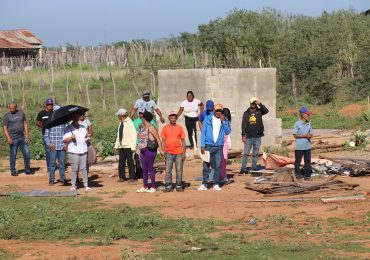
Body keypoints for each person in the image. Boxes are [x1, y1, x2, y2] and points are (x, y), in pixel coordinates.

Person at [199, 104, 231, 191]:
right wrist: (202, 145)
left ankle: (215, 183)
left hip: (219, 147)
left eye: (220, 111)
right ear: (214, 111)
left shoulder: (225, 120)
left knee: (217, 166)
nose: (218, 112)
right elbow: (203, 133)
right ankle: (205, 184)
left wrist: (223, 122)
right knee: (206, 165)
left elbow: (227, 132)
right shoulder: (207, 119)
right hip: (208, 146)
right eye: (217, 111)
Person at [63, 113, 92, 191]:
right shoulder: (68, 128)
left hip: (83, 150)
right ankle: (73, 185)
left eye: (77, 117)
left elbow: (85, 136)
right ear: (72, 118)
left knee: (84, 168)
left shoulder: (83, 127)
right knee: (74, 168)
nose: (76, 118)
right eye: (75, 117)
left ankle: (86, 185)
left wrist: (87, 138)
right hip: (73, 151)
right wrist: (71, 138)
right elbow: (64, 140)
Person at [240, 97, 269, 174]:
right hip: (248, 137)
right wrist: (243, 135)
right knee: (245, 153)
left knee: (255, 154)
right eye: (252, 103)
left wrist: (260, 104)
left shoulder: (259, 111)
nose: (253, 104)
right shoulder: (246, 113)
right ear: (250, 103)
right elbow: (243, 125)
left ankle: (254, 167)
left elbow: (266, 111)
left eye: (254, 103)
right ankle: (243, 168)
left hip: (257, 136)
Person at [136, 111, 164, 193]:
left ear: (144, 118)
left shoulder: (151, 127)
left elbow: (158, 139)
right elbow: (139, 137)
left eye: (142, 117)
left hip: (150, 150)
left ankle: (153, 187)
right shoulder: (141, 126)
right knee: (144, 169)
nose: (141, 118)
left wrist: (161, 150)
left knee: (150, 168)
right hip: (142, 150)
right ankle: (145, 186)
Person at [161, 111, 186, 192]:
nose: (173, 119)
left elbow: (183, 141)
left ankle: (178, 185)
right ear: (169, 118)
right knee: (168, 170)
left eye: (174, 118)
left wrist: (184, 153)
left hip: (179, 152)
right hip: (168, 152)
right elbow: (163, 141)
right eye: (171, 117)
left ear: (176, 118)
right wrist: (162, 152)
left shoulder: (180, 128)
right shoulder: (165, 128)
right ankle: (168, 186)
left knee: (179, 169)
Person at [2, 102, 31, 176]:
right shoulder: (7, 116)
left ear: (16, 107)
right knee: (13, 154)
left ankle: (27, 170)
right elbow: (5, 128)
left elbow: (25, 123)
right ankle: (13, 171)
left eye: (13, 108)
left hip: (22, 137)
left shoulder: (21, 113)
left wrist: (27, 135)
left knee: (27, 153)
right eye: (10, 108)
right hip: (13, 138)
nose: (11, 109)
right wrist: (8, 138)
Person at [43, 105, 67, 185]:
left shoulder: (64, 122)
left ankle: (62, 179)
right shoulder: (49, 122)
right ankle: (51, 180)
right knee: (52, 164)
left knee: (62, 163)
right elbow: (46, 136)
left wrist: (66, 144)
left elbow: (66, 134)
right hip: (52, 147)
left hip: (62, 146)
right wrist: (49, 144)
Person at [133, 108, 158, 178]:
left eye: (142, 113)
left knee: (148, 160)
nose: (141, 114)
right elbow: (134, 131)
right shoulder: (135, 121)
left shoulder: (151, 121)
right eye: (140, 113)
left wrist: (156, 145)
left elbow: (155, 133)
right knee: (137, 158)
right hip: (138, 143)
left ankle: (149, 173)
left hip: (149, 145)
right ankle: (139, 173)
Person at [114, 108, 137, 183]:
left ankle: (132, 177)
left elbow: (134, 135)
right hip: (122, 146)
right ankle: (122, 177)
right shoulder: (121, 123)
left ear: (122, 115)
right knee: (121, 162)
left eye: (119, 115)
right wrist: (117, 145)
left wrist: (133, 147)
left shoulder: (129, 123)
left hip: (129, 146)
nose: (118, 116)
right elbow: (119, 135)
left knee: (130, 162)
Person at [293, 107, 313, 180]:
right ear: (303, 115)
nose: (308, 116)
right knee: (298, 161)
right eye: (307, 114)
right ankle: (298, 175)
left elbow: (311, 133)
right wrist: (304, 136)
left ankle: (307, 175)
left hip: (308, 146)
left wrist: (310, 135)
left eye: (309, 114)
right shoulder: (297, 124)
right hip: (299, 147)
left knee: (307, 161)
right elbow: (295, 135)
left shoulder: (309, 123)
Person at [36, 98, 54, 172]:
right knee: (48, 151)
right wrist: (43, 127)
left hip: (54, 134)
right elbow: (37, 122)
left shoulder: (55, 113)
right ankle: (49, 168)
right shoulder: (41, 113)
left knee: (55, 150)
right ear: (45, 105)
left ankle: (53, 164)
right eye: (48, 104)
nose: (49, 106)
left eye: (51, 104)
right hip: (45, 135)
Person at [220, 107, 232, 183]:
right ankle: (221, 176)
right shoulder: (217, 121)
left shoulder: (226, 121)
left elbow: (228, 132)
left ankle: (223, 176)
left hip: (225, 142)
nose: (225, 116)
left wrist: (228, 141)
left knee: (224, 159)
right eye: (224, 115)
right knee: (219, 160)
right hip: (218, 142)